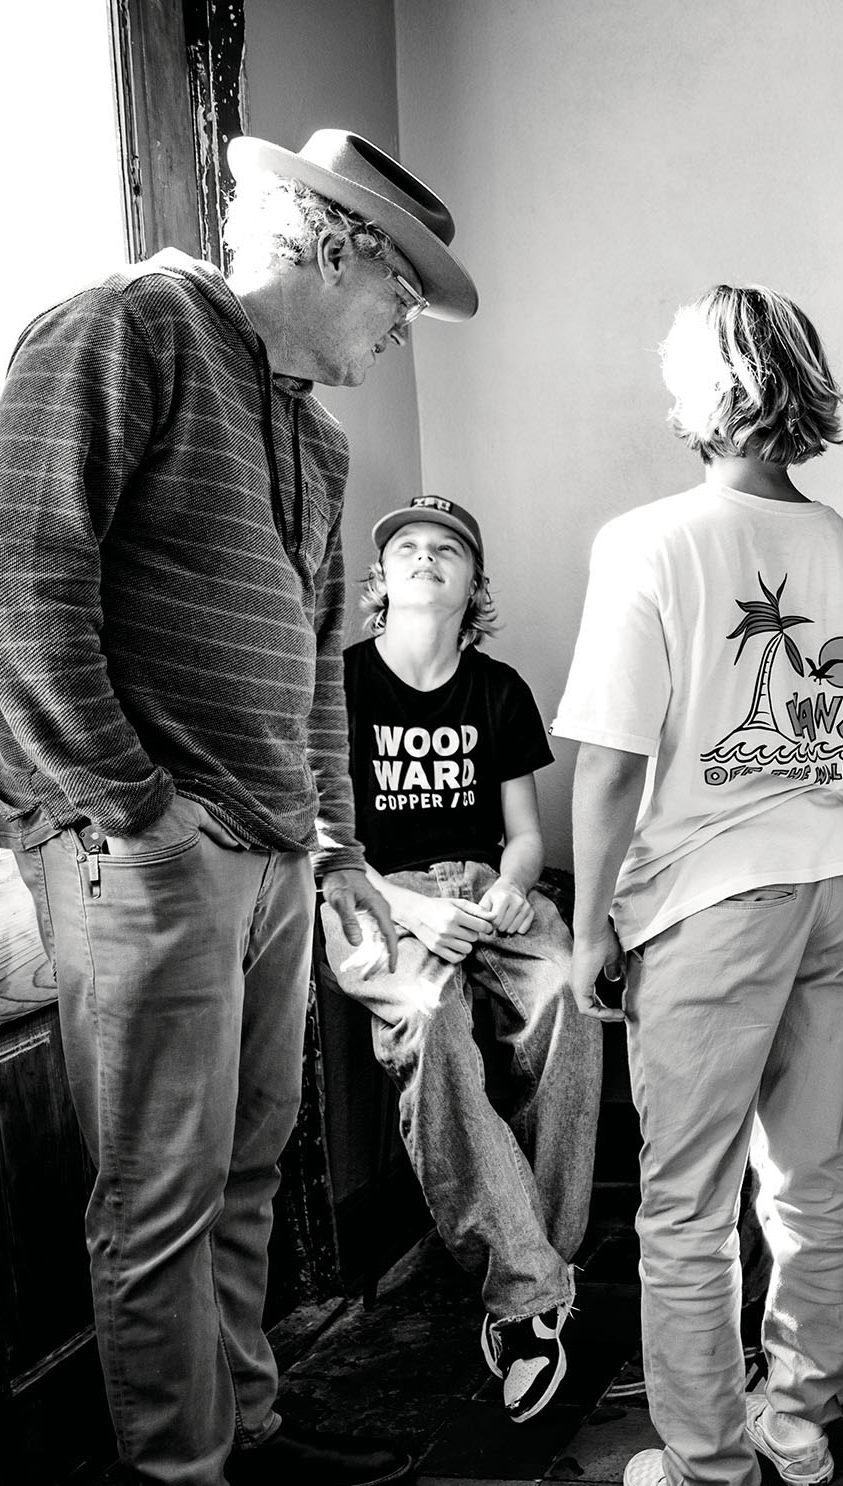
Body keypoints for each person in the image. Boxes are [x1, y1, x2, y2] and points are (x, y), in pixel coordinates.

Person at [0, 130, 476, 1486]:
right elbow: (13, 571)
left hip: (262, 856)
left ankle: (247, 1441)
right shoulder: (127, 327)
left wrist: (339, 846)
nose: (397, 335)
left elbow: (317, 665)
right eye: (401, 297)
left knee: (249, 1170)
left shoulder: (308, 426)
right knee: (159, 1202)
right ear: (333, 245)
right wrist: (136, 808)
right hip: (145, 850)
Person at [553, 285, 843, 1486]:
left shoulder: (649, 541)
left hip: (710, 898)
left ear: (703, 390)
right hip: (834, 881)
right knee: (807, 1177)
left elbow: (605, 761)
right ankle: (796, 1418)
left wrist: (593, 929)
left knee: (684, 1205)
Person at [320, 492, 602, 1422]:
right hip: (375, 896)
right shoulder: (342, 680)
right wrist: (408, 907)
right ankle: (525, 1295)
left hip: (482, 886)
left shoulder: (499, 689)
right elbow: (327, 835)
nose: (426, 558)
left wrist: (513, 888)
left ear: (474, 581)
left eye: (448, 549)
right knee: (433, 1023)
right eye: (407, 547)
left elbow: (526, 835)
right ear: (381, 577)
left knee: (567, 992)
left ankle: (543, 1266)